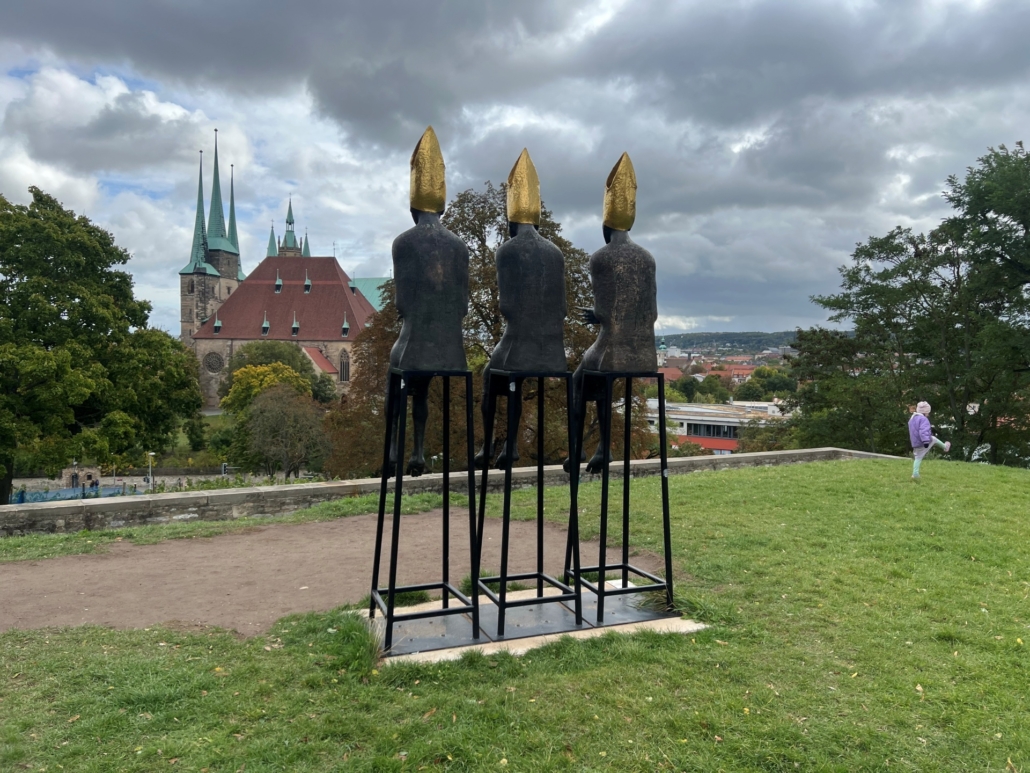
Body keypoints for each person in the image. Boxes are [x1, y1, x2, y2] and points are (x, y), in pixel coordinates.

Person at [909, 401, 950, 480]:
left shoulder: (912, 418)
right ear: (925, 412)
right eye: (928, 412)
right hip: (922, 442)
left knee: (918, 456)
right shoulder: (923, 419)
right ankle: (915, 474)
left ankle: (945, 447)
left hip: (915, 441)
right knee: (919, 457)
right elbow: (923, 431)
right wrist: (925, 441)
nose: (928, 414)